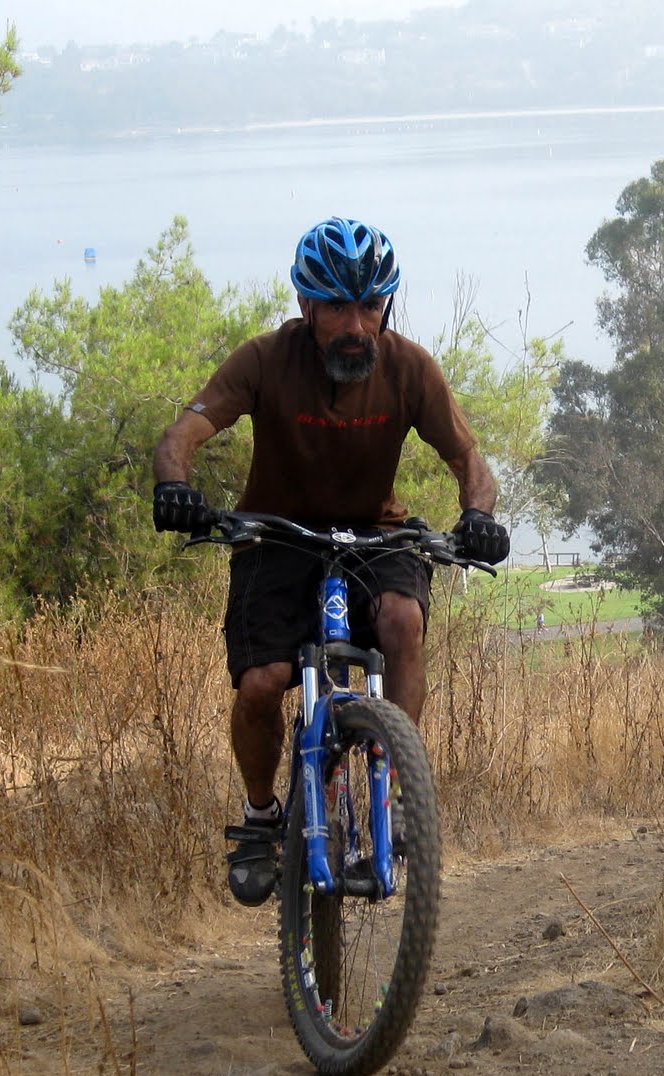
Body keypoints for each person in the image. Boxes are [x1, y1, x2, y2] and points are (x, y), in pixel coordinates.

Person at [151, 216, 510, 906]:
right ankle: (262, 818)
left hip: (377, 535)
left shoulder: (409, 369)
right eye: (338, 307)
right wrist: (176, 485)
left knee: (403, 621)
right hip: (277, 537)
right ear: (307, 306)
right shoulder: (264, 359)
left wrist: (480, 517)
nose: (356, 324)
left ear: (386, 306)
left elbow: (469, 459)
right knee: (262, 682)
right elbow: (184, 432)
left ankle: (401, 790)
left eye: (370, 306)